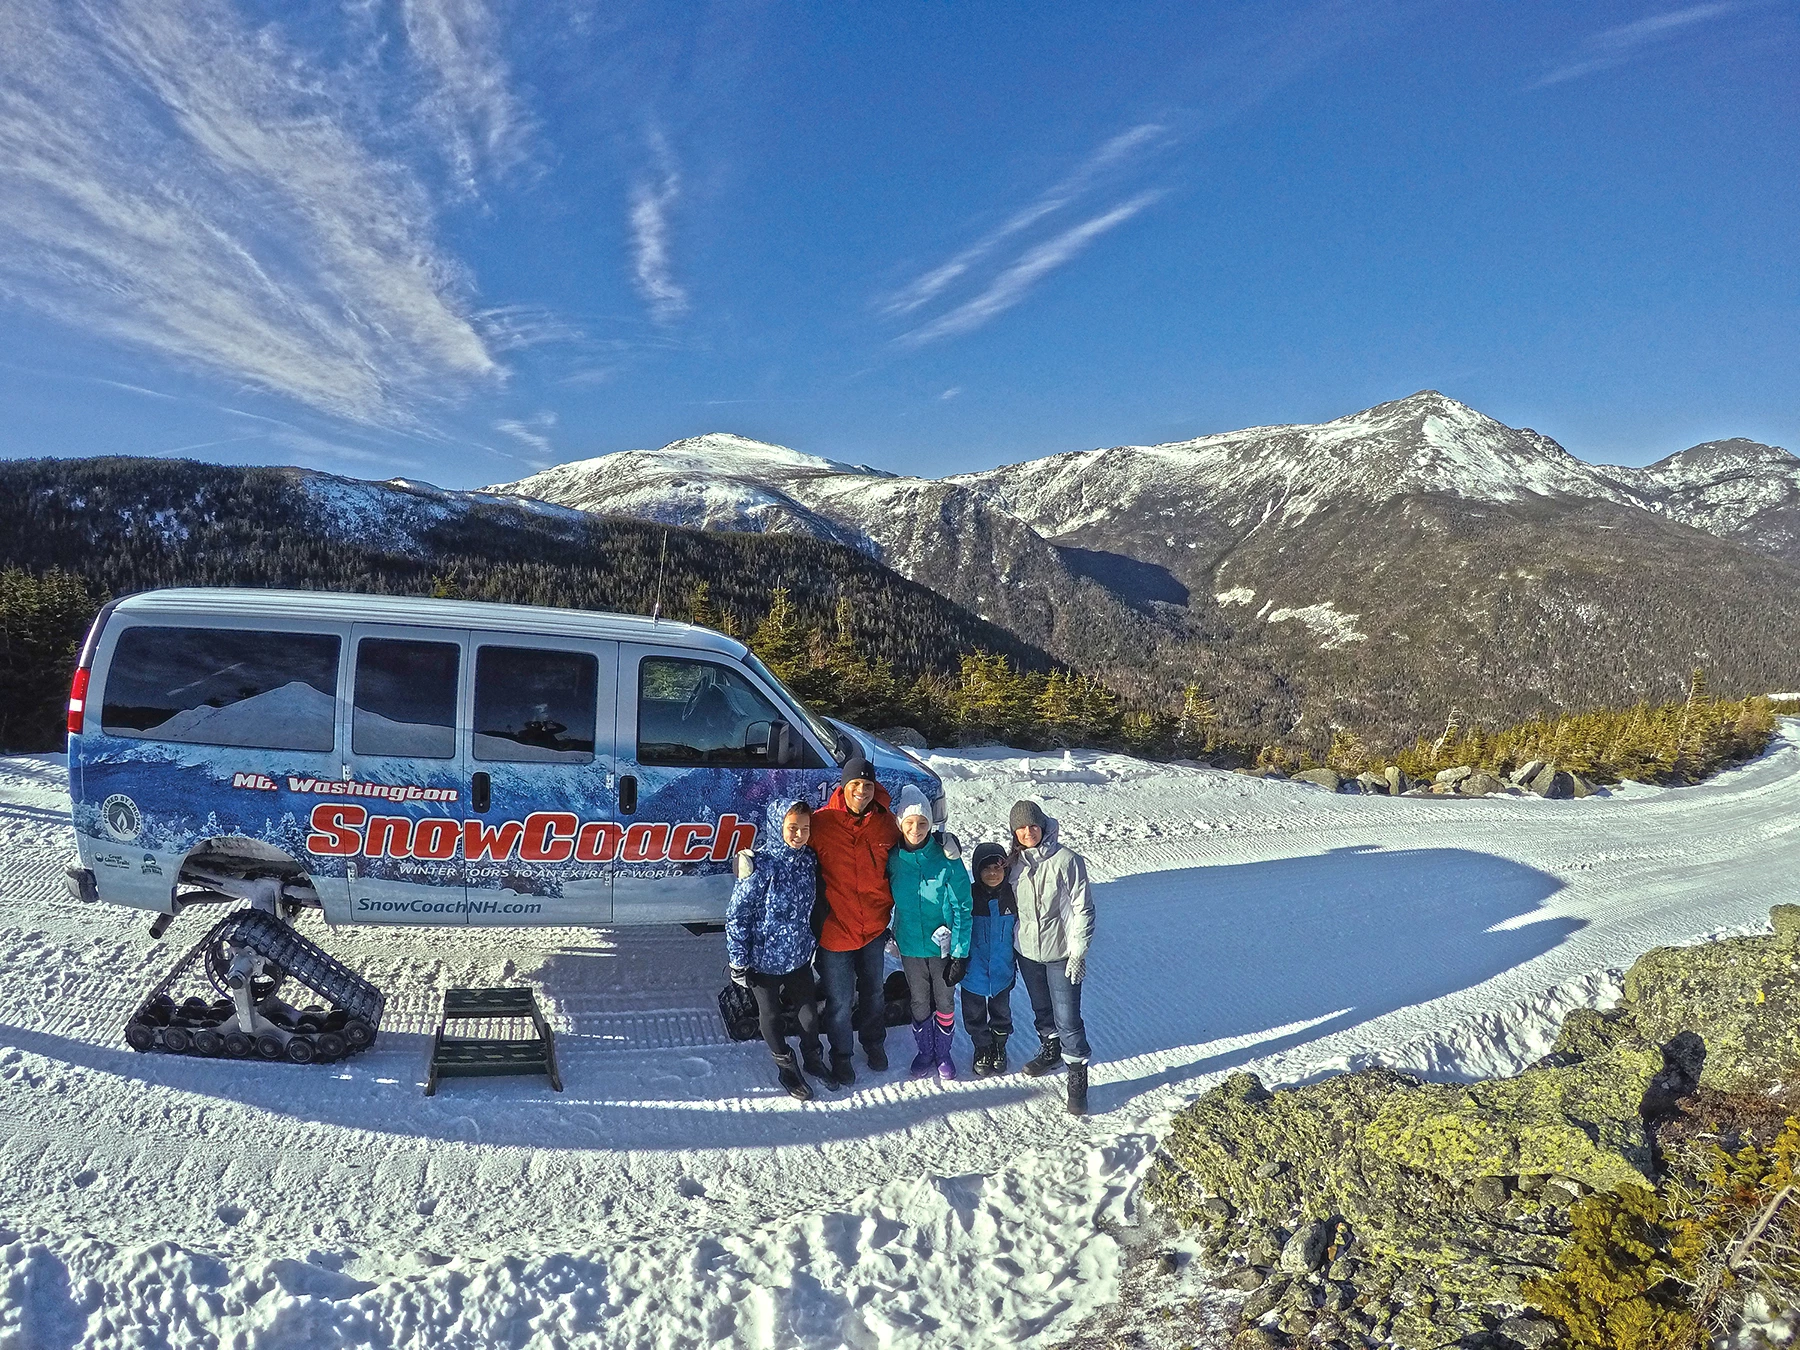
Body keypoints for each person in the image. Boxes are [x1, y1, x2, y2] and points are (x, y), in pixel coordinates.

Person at [726, 798, 828, 1100]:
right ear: (777, 826)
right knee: (770, 1015)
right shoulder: (761, 865)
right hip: (763, 961)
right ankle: (786, 1067)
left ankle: (813, 1060)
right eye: (792, 827)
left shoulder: (808, 859)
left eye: (805, 828)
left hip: (797, 957)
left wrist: (813, 938)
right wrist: (738, 960)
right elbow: (738, 914)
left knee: (808, 1014)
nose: (799, 834)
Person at [809, 755, 901, 1087]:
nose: (861, 790)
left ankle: (873, 1043)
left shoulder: (887, 824)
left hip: (874, 926)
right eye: (855, 784)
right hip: (835, 929)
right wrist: (752, 860)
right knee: (840, 1001)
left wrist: (944, 845)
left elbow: (914, 851)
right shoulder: (821, 823)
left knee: (874, 992)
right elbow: (789, 845)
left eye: (867, 784)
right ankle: (842, 1056)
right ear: (843, 787)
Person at [1009, 798, 1095, 1115]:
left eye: (1033, 825)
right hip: (1027, 951)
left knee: (1068, 1018)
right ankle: (1051, 1051)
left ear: (1043, 825)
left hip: (1061, 953)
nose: (1028, 831)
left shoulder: (1067, 860)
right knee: (1042, 1010)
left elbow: (1083, 909)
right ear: (1014, 832)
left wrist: (1078, 952)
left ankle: (1077, 1076)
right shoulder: (1014, 864)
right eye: (1021, 827)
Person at [887, 785, 972, 1080]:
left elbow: (963, 905)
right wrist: (889, 933)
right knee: (919, 1001)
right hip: (910, 944)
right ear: (900, 823)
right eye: (909, 823)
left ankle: (943, 1052)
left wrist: (960, 953)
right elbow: (880, 896)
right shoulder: (894, 859)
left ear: (931, 825)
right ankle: (925, 1051)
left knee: (945, 1000)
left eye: (923, 823)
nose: (916, 829)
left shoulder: (946, 857)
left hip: (942, 948)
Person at [962, 842, 1018, 1076]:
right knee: (974, 1013)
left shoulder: (1012, 896)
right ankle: (982, 1047)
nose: (993, 873)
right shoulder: (969, 896)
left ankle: (999, 1045)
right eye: (986, 869)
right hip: (973, 970)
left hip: (1002, 970)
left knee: (1001, 1012)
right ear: (977, 871)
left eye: (998, 868)